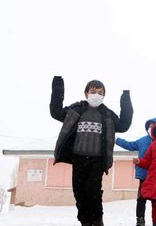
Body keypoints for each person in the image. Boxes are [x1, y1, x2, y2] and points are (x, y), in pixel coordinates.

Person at [49, 76, 133, 226]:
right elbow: (55, 112)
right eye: (93, 91)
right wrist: (58, 82)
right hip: (78, 159)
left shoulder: (107, 114)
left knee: (93, 192)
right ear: (86, 93)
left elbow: (124, 125)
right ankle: (85, 222)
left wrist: (125, 96)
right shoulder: (76, 110)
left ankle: (97, 220)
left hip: (97, 161)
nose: (97, 95)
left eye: (100, 92)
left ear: (104, 96)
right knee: (79, 192)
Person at [115, 116, 156, 226]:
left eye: (154, 125)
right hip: (144, 176)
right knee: (141, 199)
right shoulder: (143, 140)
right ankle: (140, 220)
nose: (151, 128)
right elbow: (129, 145)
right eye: (150, 126)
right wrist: (116, 140)